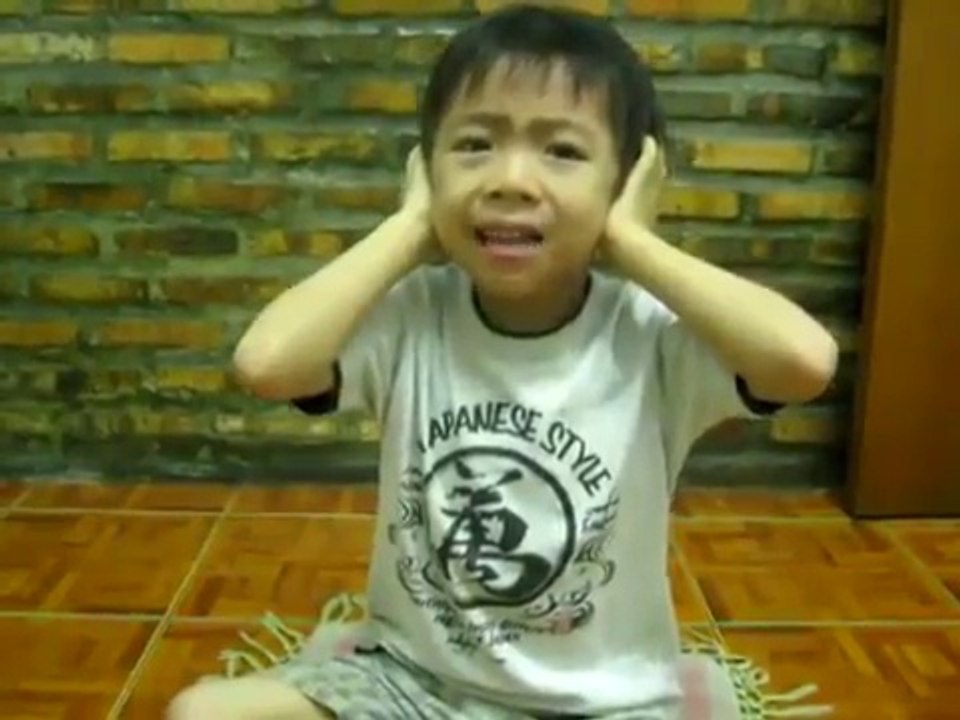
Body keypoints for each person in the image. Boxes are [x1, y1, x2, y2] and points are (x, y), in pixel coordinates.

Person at [167, 4, 838, 719]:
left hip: (604, 705)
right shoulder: (412, 315)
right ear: (427, 170)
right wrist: (409, 227)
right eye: (475, 145)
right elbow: (268, 363)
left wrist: (632, 242)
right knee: (203, 713)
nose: (511, 180)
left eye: (563, 152)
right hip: (410, 683)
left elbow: (804, 362)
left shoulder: (651, 334)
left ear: (626, 184)